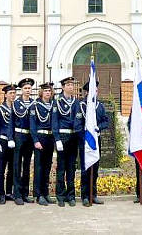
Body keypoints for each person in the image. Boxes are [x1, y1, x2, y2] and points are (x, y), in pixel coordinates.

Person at [77, 80, 109, 206]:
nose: (95, 91)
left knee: (95, 168)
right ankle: (85, 196)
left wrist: (98, 127)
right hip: (85, 141)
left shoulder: (100, 106)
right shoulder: (81, 105)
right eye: (92, 90)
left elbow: (105, 121)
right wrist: (84, 138)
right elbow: (77, 125)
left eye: (96, 90)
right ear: (87, 92)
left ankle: (93, 194)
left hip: (96, 140)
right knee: (85, 169)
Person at [52, 76, 80, 207]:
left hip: (73, 137)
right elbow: (54, 121)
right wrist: (57, 139)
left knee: (71, 168)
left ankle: (71, 195)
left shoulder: (76, 102)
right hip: (62, 137)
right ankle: (60, 196)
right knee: (61, 168)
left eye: (72, 85)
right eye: (68, 85)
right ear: (63, 87)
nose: (70, 87)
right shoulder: (57, 102)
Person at [30, 82, 55, 206]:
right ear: (41, 92)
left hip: (50, 137)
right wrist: (35, 140)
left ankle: (45, 193)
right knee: (39, 167)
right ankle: (38, 194)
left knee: (47, 166)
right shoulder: (35, 106)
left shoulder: (53, 105)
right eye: (45, 91)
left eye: (49, 91)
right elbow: (32, 125)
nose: (48, 93)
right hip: (40, 137)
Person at [12, 77, 35, 205]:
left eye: (29, 88)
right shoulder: (16, 103)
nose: (27, 90)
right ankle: (17, 194)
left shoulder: (34, 103)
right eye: (25, 88)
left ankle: (25, 193)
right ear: (21, 90)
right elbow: (11, 123)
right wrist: (11, 138)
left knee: (27, 165)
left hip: (29, 137)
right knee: (17, 166)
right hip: (19, 135)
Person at [0, 83, 16, 204]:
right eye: (10, 93)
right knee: (1, 169)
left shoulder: (16, 108)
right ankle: (1, 193)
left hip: (13, 142)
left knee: (12, 169)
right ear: (5, 95)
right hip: (3, 141)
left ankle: (9, 192)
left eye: (14, 93)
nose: (13, 95)